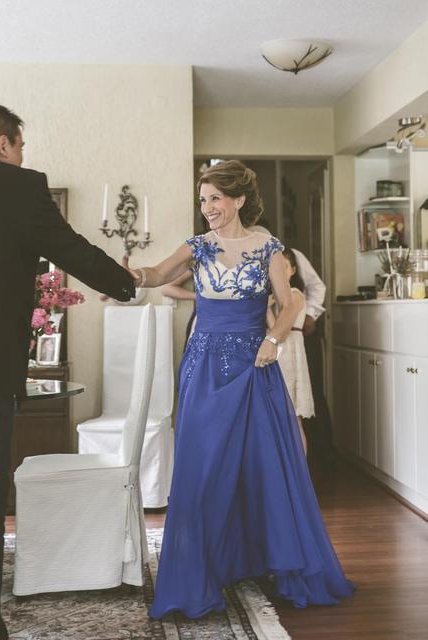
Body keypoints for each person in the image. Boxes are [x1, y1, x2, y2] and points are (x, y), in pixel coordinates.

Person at [127, 159, 354, 618]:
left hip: (255, 364)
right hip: (205, 366)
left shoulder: (268, 248)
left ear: (239, 199)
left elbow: (290, 303)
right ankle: (201, 570)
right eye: (203, 199)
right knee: (204, 464)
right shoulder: (197, 246)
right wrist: (133, 275)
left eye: (215, 198)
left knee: (263, 463)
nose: (207, 207)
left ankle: (266, 560)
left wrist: (274, 341)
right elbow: (158, 274)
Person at [0, 103, 135, 640]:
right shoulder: (18, 187)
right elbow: (69, 249)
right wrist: (126, 281)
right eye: (19, 146)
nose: (21, 156)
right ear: (2, 142)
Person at [266, 247, 315, 455]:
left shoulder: (295, 295)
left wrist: (265, 309)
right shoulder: (276, 296)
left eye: (284, 267)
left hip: (289, 354)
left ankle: (299, 469)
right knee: (279, 417)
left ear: (293, 270)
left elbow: (280, 332)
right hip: (278, 354)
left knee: (294, 417)